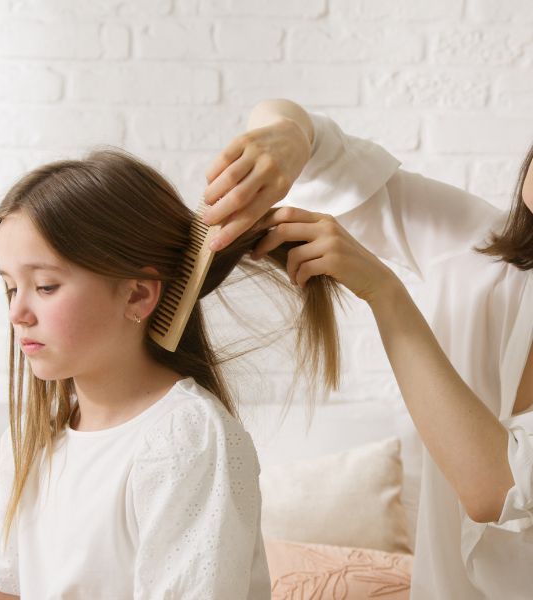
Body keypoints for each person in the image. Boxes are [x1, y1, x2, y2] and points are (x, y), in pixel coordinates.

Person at [0, 147, 341, 599]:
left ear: (138, 295)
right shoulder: (35, 438)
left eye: (45, 286)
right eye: (10, 286)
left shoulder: (184, 438)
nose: (17, 311)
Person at [201, 99, 533, 599]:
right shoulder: (479, 252)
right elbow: (321, 154)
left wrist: (384, 292)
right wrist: (288, 137)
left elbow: (497, 489)